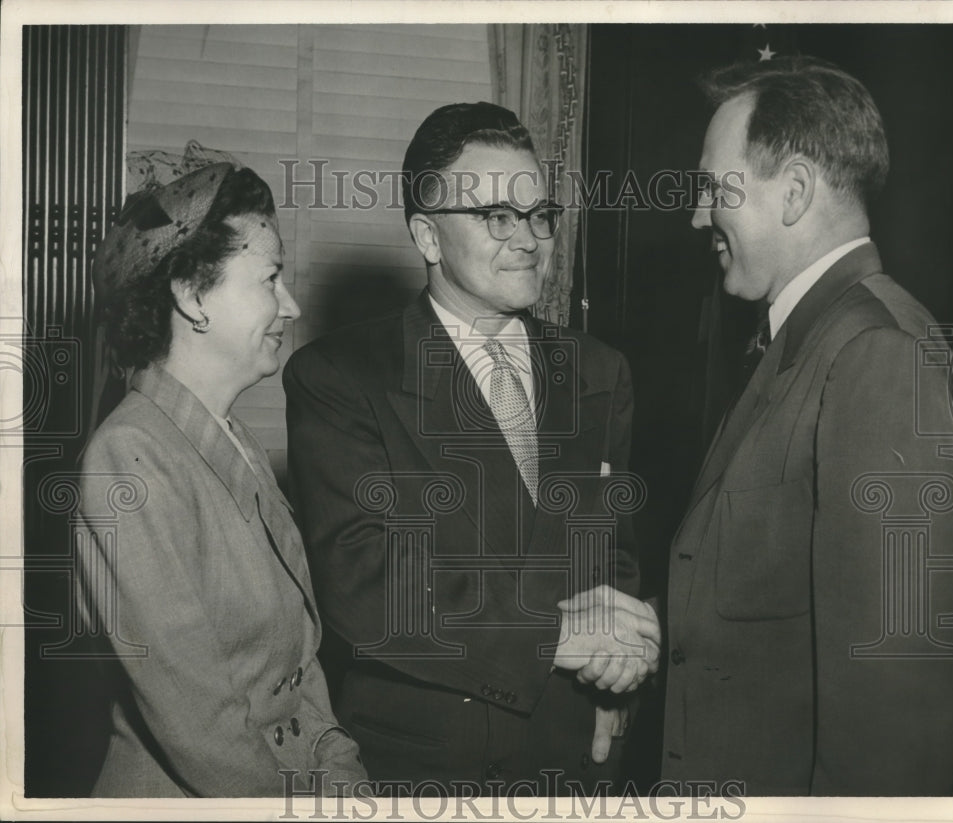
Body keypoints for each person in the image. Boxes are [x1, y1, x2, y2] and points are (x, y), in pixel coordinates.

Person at [284, 102, 660, 793]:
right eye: (496, 216)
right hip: (429, 771)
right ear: (428, 236)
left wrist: (619, 676)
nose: (528, 239)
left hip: (575, 760)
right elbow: (366, 587)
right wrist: (556, 639)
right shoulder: (340, 376)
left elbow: (613, 554)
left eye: (539, 214)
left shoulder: (600, 371)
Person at [660, 56, 953, 794]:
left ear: (795, 190)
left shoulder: (876, 355)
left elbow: (897, 717)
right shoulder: (815, 334)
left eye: (714, 188)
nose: (697, 215)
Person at [77, 162, 367, 797]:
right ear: (191, 294)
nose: (289, 304)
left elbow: (296, 672)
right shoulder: (130, 457)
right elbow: (200, 726)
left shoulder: (231, 441)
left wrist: (343, 774)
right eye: (269, 279)